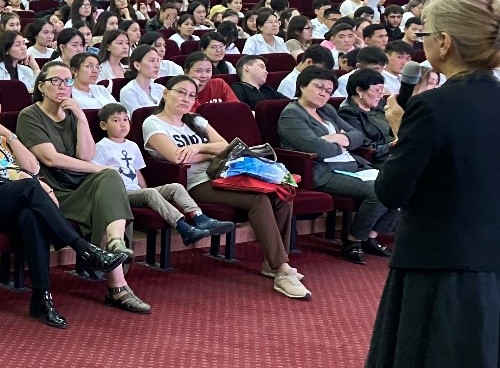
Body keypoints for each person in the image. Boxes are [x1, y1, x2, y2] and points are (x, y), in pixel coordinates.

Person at [355, 0, 500, 368]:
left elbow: (393, 191)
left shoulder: (433, 108)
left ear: (444, 43)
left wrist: (399, 128)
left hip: (447, 270)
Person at [0, 81, 122, 329]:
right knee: (30, 187)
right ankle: (82, 248)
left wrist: (10, 136)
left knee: (31, 215)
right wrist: (37, 185)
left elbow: (32, 167)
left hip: (5, 200)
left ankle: (42, 297)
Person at [142, 76, 308, 301]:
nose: (186, 98)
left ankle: (273, 263)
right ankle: (282, 270)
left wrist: (198, 148)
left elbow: (226, 146)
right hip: (195, 183)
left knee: (282, 193)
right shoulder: (153, 123)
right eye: (181, 92)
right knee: (259, 199)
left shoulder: (196, 120)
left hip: (224, 175)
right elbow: (176, 157)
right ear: (165, 93)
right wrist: (210, 152)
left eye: (191, 95)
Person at [16, 62, 150, 314]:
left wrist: (80, 117)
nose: (63, 86)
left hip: (81, 184)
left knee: (110, 179)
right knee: (107, 174)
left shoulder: (72, 113)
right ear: (41, 86)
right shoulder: (29, 115)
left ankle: (115, 243)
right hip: (52, 191)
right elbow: (50, 159)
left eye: (67, 81)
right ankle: (118, 287)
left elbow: (87, 155)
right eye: (56, 81)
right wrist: (98, 169)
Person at [278, 66, 397, 264]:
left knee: (399, 182)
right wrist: (340, 142)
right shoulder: (292, 115)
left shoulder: (326, 110)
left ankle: (371, 235)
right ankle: (353, 240)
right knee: (379, 190)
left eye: (328, 91)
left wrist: (337, 138)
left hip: (351, 165)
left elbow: (358, 136)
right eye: (319, 87)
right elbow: (317, 149)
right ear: (302, 86)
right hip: (322, 171)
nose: (323, 94)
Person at [92, 102, 234, 246]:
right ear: (104, 125)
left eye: (125, 119)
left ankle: (200, 218)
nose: (123, 124)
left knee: (176, 187)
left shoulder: (132, 146)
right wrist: (146, 193)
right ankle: (184, 229)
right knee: (150, 193)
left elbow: (137, 172)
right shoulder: (101, 147)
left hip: (136, 192)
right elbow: (96, 173)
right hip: (120, 194)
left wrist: (144, 190)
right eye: (116, 120)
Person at [337, 70, 394, 163]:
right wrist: (394, 145)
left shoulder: (381, 105)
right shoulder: (348, 113)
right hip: (380, 160)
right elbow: (366, 147)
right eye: (377, 90)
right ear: (359, 90)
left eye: (382, 90)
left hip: (395, 152)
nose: (381, 95)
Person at [118, 45, 166, 113]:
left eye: (158, 61)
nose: (157, 65)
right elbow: (138, 117)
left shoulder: (161, 89)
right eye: (152, 61)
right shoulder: (128, 92)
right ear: (137, 65)